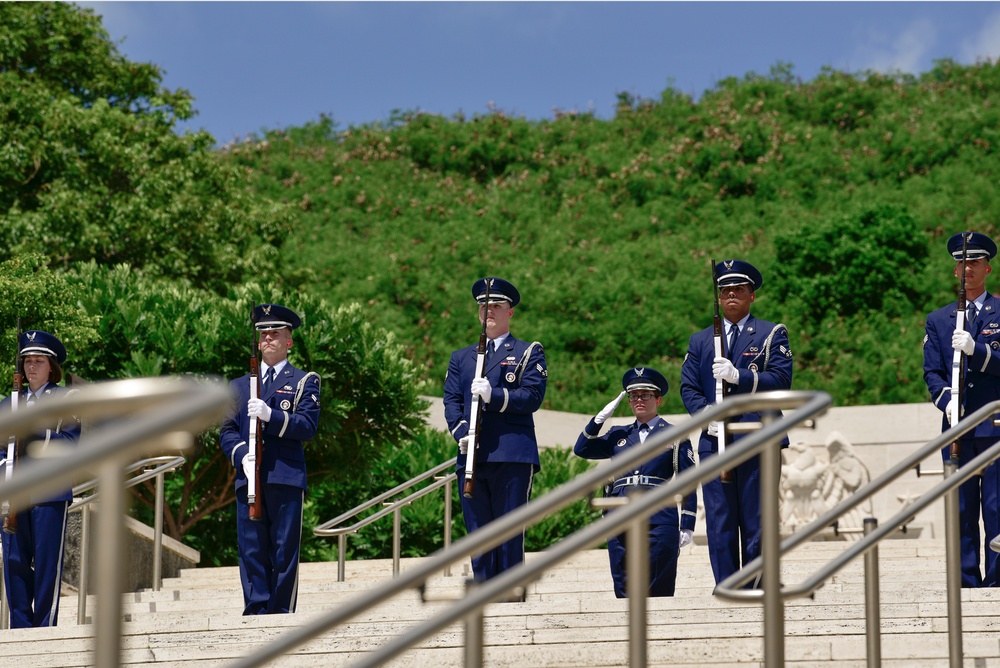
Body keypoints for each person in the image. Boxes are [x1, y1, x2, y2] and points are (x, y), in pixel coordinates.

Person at [680, 259, 793, 585]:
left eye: (739, 290)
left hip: (758, 434)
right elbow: (688, 386)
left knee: (757, 515)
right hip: (715, 439)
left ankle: (758, 583)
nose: (731, 295)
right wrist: (706, 415)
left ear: (751, 296)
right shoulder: (701, 341)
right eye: (725, 290)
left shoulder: (771, 333)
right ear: (718, 297)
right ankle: (728, 584)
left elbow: (781, 380)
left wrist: (740, 376)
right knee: (720, 518)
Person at [443, 278, 547, 584]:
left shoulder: (528, 352)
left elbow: (532, 397)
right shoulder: (461, 358)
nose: (489, 311)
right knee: (478, 533)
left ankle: (509, 595)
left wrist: (495, 395)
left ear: (510, 312)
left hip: (511, 453)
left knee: (509, 530)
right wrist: (461, 431)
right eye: (484, 306)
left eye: (496, 306)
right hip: (471, 455)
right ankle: (484, 595)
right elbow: (451, 400)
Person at [219, 303, 321, 614]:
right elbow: (226, 430)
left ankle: (280, 612)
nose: (268, 339)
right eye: (263, 334)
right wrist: (242, 457)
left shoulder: (304, 380)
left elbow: (307, 426)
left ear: (289, 341)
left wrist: (272, 415)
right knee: (251, 548)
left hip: (285, 476)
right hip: (249, 475)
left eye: (275, 334)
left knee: (283, 548)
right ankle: (256, 608)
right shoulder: (238, 386)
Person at [574, 367, 697, 598]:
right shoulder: (617, 434)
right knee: (624, 585)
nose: (638, 400)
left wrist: (688, 523)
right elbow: (582, 449)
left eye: (645, 395)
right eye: (634, 396)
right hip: (621, 514)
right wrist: (598, 421)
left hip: (659, 517)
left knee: (658, 587)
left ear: (658, 399)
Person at [923, 231, 1000, 588]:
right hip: (958, 426)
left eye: (974, 262)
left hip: (995, 425)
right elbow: (932, 372)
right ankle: (966, 582)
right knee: (962, 509)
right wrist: (947, 401)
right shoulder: (939, 320)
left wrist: (978, 352)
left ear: (987, 268)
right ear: (955, 271)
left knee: (997, 508)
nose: (967, 269)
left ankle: (997, 579)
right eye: (961, 263)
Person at [0, 330, 81, 628]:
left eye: (38, 361)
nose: (31, 367)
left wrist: (33, 433)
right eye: (27, 361)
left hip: (50, 491)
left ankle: (45, 628)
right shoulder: (8, 404)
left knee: (47, 566)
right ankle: (20, 629)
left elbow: (71, 445)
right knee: (14, 564)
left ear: (51, 366)